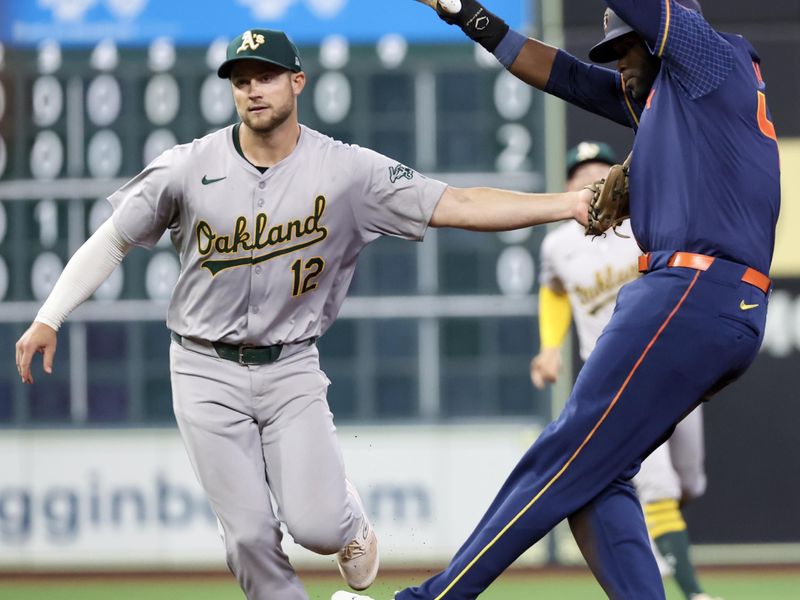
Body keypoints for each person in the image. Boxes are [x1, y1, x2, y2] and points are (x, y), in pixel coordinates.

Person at [13, 29, 592, 600]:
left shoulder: (346, 171)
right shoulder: (187, 167)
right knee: (248, 540)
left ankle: (349, 523)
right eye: (241, 80)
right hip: (201, 367)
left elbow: (456, 204)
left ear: (297, 81)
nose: (252, 90)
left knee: (317, 527)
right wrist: (50, 315)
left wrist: (567, 203)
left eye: (265, 76)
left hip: (290, 366)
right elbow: (113, 240)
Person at [334, 0, 779, 598]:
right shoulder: (665, 98)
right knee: (597, 483)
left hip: (691, 290)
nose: (619, 60)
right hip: (722, 305)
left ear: (662, 36)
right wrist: (470, 15)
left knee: (559, 456)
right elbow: (563, 74)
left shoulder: (707, 61)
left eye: (627, 45)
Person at [530, 141, 719, 600]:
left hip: (675, 367)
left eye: (600, 167)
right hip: (620, 379)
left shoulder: (645, 224)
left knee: (688, 481)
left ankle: (657, 534)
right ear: (568, 185)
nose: (591, 176)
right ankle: (694, 593)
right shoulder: (557, 243)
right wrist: (549, 347)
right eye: (580, 171)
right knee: (657, 484)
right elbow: (554, 291)